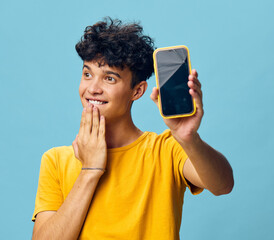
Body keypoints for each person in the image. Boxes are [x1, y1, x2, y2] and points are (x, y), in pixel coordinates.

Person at [32, 17, 234, 240]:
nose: (92, 88)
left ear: (137, 91)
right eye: (87, 74)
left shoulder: (166, 150)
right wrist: (89, 171)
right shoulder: (55, 160)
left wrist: (189, 138)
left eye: (109, 78)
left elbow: (223, 185)